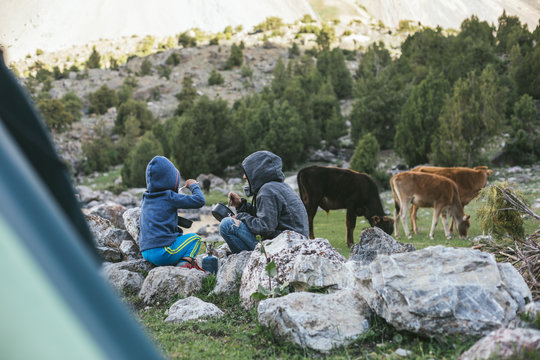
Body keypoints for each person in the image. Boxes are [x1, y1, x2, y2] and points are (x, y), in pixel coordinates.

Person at [219, 150, 309, 253]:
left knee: (227, 224)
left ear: (257, 171)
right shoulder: (279, 186)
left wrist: (240, 217)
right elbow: (266, 218)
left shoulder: (267, 191)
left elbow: (265, 228)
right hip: (293, 243)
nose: (244, 176)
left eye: (247, 171)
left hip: (283, 248)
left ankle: (247, 264)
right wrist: (241, 205)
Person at [139, 156, 206, 271]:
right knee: (195, 239)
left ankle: (176, 260)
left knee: (178, 238)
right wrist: (194, 185)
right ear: (169, 179)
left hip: (145, 251)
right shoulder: (169, 197)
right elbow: (200, 201)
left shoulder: (147, 197)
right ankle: (184, 265)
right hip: (162, 253)